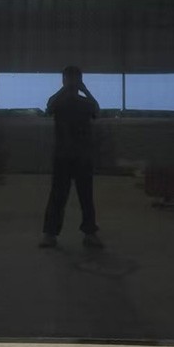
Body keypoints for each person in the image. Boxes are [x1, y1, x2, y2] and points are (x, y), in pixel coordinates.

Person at [40, 66, 103, 249]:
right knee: (58, 196)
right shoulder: (59, 102)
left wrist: (84, 90)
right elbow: (49, 108)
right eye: (69, 79)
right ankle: (50, 234)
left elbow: (96, 110)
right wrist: (66, 89)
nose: (72, 83)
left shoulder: (84, 103)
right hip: (63, 155)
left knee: (86, 196)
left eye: (74, 79)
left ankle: (89, 233)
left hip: (82, 155)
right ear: (63, 80)